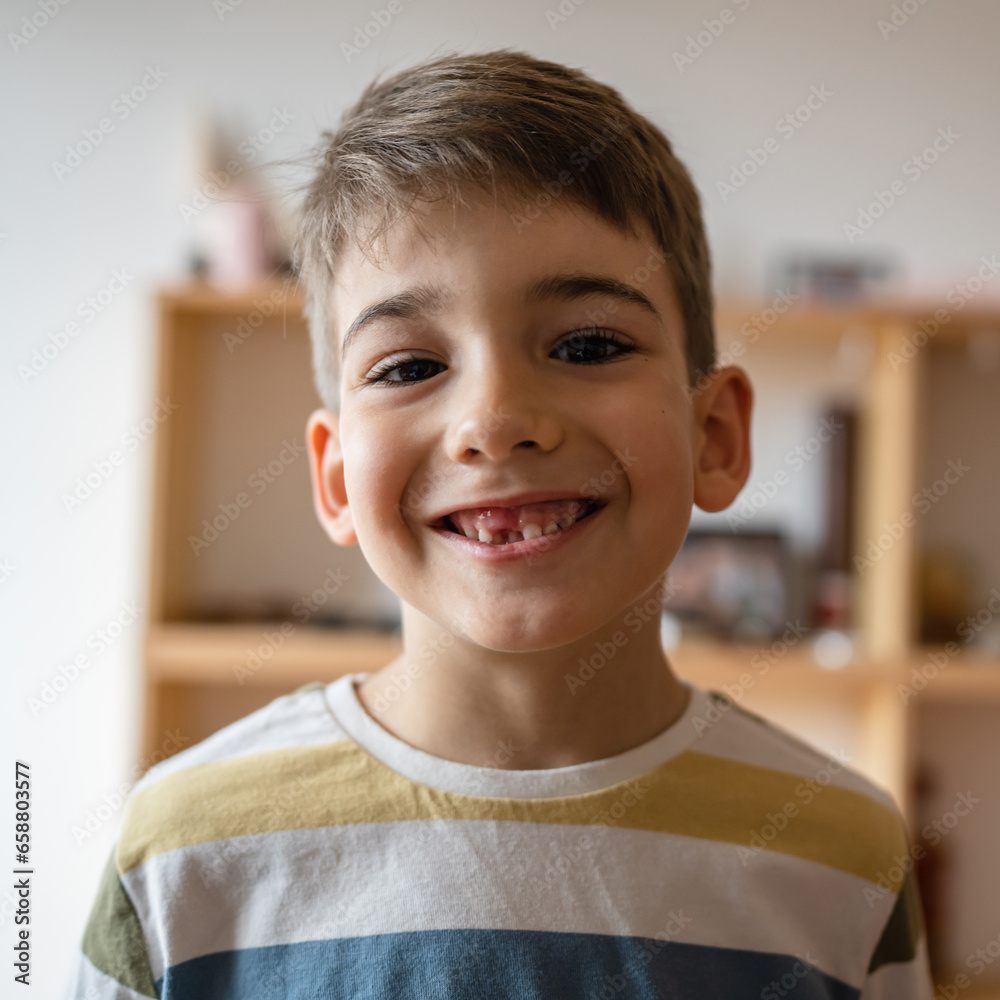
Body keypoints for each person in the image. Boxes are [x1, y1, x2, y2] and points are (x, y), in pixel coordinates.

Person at [66, 49, 933, 999]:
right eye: (408, 367)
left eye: (588, 344)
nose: (494, 419)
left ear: (714, 437)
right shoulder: (181, 859)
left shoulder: (845, 860)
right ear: (336, 478)